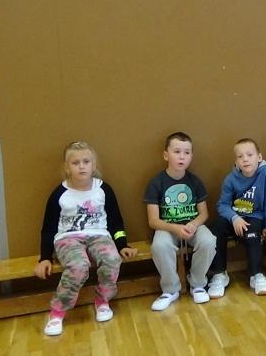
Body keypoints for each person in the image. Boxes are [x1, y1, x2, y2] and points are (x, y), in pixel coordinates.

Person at [36, 141, 137, 336]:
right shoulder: (59, 194)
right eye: (75, 163)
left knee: (112, 259)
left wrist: (122, 245)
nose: (81, 166)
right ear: (67, 167)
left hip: (99, 235)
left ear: (94, 165)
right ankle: (57, 312)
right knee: (78, 266)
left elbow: (116, 222)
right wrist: (45, 257)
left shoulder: (104, 189)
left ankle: (102, 301)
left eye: (86, 162)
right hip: (68, 239)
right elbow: (48, 229)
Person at [145, 132, 216, 311]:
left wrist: (194, 224)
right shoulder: (156, 183)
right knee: (159, 246)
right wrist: (175, 228)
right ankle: (170, 289)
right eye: (177, 152)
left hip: (192, 226)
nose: (182, 157)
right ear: (166, 155)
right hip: (167, 227)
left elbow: (204, 214)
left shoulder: (195, 181)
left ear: (191, 156)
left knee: (208, 240)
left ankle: (197, 284)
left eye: (187, 152)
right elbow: (153, 220)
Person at [208, 138, 266, 297]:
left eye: (249, 155)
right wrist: (234, 218)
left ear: (259, 157)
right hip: (234, 217)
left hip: (255, 217)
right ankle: (220, 274)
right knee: (215, 229)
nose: (245, 159)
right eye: (240, 156)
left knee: (252, 235)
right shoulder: (230, 179)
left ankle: (256, 274)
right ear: (236, 161)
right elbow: (222, 205)